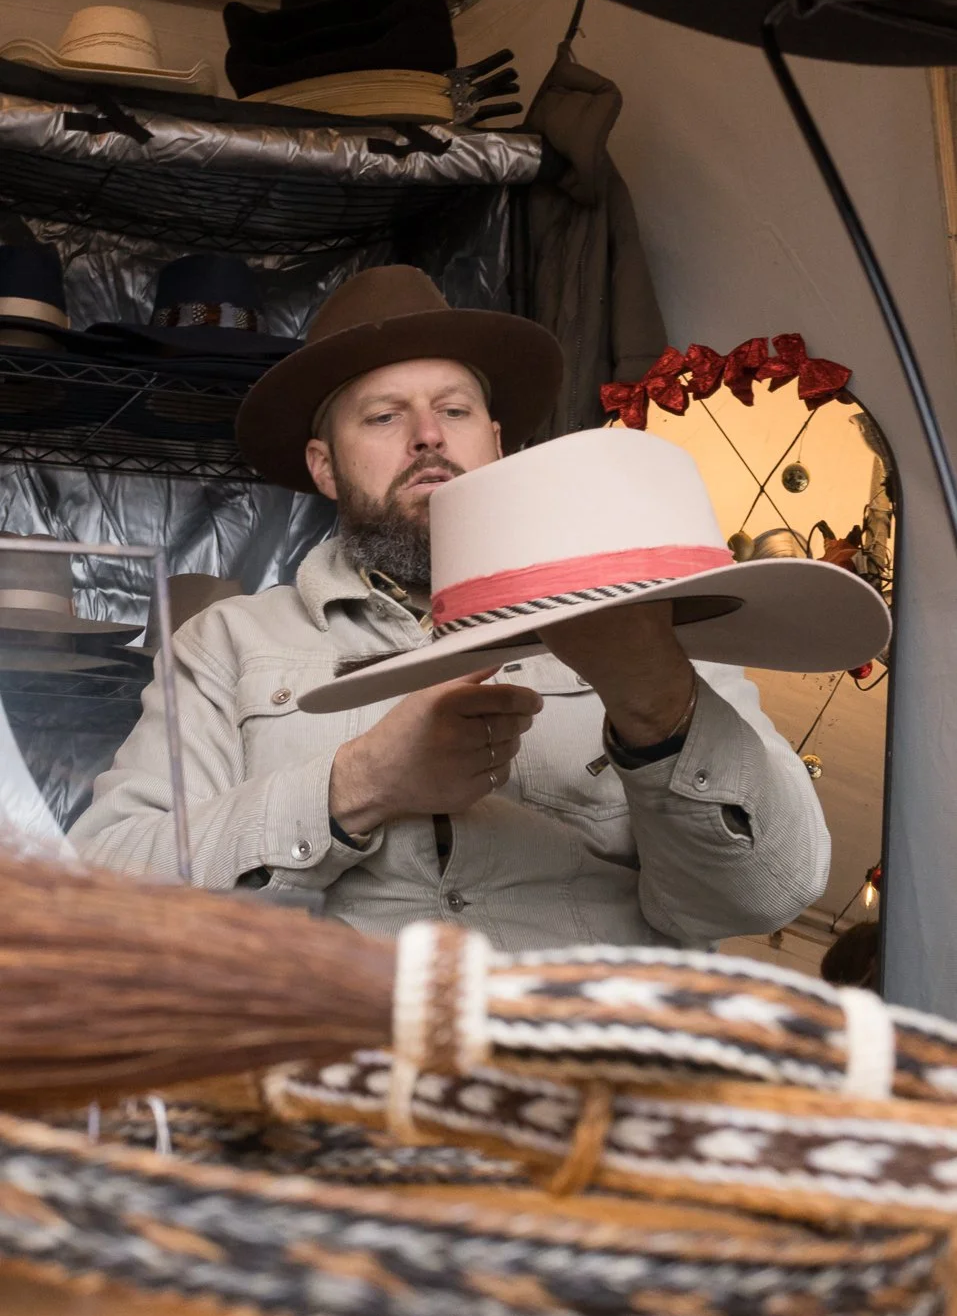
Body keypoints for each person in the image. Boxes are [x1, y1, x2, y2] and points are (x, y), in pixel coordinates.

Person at [70, 266, 829, 951]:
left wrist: (658, 704)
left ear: (495, 442)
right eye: (383, 417)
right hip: (337, 1050)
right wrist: (356, 785)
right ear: (324, 466)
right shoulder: (225, 645)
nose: (428, 436)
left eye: (455, 410)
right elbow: (103, 897)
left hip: (584, 1051)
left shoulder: (643, 616)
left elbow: (768, 895)